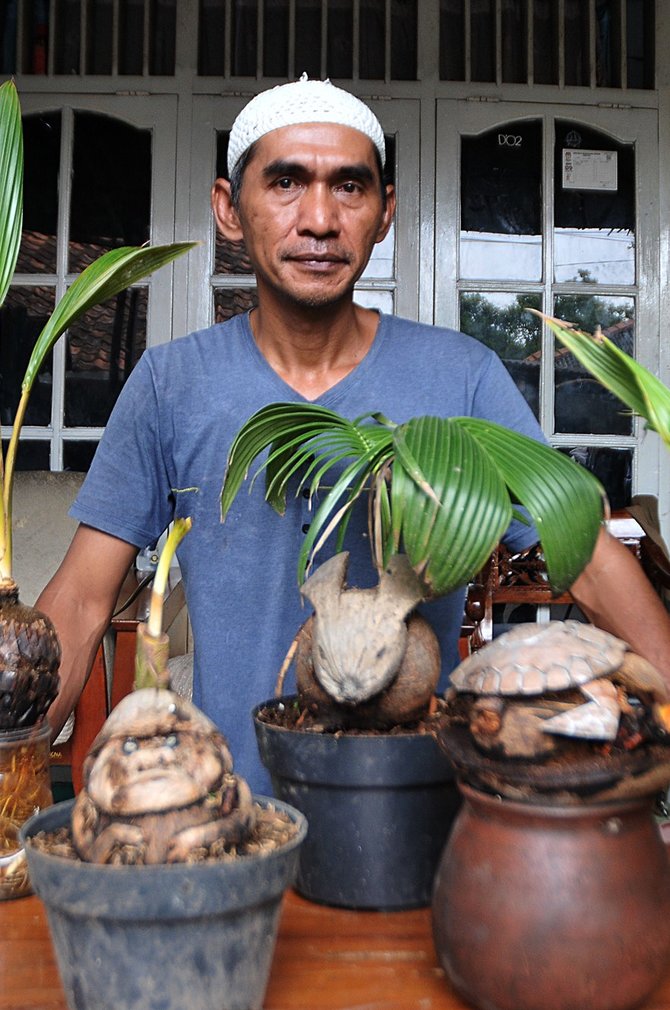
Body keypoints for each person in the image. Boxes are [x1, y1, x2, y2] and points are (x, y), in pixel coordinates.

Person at [39, 76, 670, 794]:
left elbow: (581, 549)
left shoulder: (460, 376)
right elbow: (86, 600)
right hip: (236, 817)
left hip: (421, 809)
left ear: (384, 212)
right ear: (229, 209)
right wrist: (14, 741)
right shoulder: (172, 384)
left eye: (349, 187)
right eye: (285, 182)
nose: (318, 218)